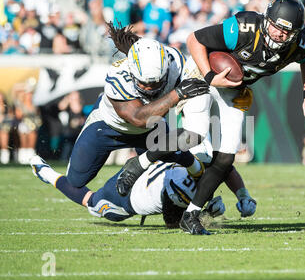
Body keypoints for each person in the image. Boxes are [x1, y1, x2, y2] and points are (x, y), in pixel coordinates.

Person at [117, 0, 305, 235]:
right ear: (267, 20)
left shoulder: (301, 44)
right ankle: (139, 163)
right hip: (205, 72)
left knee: (226, 158)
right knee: (195, 134)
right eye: (276, 26)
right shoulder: (244, 28)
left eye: (286, 32)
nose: (279, 34)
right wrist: (210, 77)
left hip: (234, 87)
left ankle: (191, 215)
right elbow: (194, 39)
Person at [64, 22, 209, 192]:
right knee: (75, 181)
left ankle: (203, 190)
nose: (149, 88)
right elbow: (139, 118)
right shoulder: (118, 74)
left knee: (174, 172)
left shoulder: (175, 63)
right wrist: (177, 93)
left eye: (156, 83)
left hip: (152, 129)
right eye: (144, 83)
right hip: (108, 127)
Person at [29, 155, 225, 228]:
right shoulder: (181, 191)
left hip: (139, 171)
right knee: (91, 202)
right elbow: (173, 222)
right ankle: (46, 173)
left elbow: (180, 154)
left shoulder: (196, 168)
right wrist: (207, 213)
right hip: (124, 198)